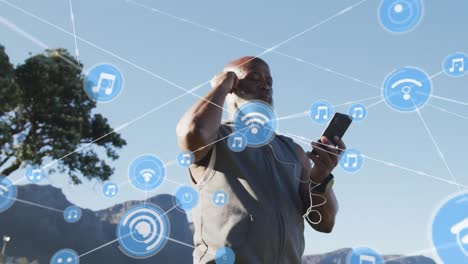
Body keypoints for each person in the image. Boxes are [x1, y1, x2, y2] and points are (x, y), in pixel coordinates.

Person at [176, 56, 346, 264]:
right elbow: (194, 130)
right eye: (254, 78)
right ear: (231, 86)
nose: (265, 86)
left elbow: (325, 223)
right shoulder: (216, 139)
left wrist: (320, 177)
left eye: (269, 81)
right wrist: (221, 85)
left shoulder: (293, 151)